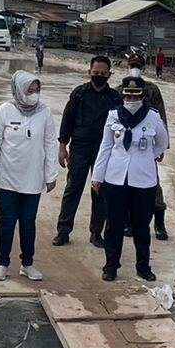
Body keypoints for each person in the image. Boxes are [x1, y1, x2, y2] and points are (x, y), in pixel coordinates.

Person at [92, 75, 168, 282]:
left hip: (143, 180)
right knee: (114, 225)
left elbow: (162, 143)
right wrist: (97, 176)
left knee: (141, 226)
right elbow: (106, 146)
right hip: (115, 178)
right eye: (128, 95)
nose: (131, 100)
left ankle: (143, 266)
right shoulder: (113, 116)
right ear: (122, 95)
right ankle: (111, 266)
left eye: (135, 96)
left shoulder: (152, 117)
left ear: (142, 95)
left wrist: (146, 157)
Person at [0, 72, 58, 282]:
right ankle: (2, 263)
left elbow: (50, 145)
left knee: (28, 221)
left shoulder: (44, 112)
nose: (33, 95)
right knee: (7, 220)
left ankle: (27, 263)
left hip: (33, 178)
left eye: (37, 91)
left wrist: (51, 174)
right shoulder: (4, 111)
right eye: (29, 91)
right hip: (7, 177)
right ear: (19, 90)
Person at [52, 57, 117, 246]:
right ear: (89, 72)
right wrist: (62, 147)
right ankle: (63, 231)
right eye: (96, 73)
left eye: (103, 74)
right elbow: (67, 120)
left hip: (104, 151)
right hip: (79, 148)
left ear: (109, 75)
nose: (99, 76)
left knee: (100, 191)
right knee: (73, 189)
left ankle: (96, 233)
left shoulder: (114, 98)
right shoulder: (79, 93)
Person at [127, 54, 171, 242]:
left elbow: (161, 117)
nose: (135, 69)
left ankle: (159, 223)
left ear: (144, 69)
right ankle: (128, 222)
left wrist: (162, 147)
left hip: (147, 146)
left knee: (154, 185)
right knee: (126, 185)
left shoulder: (152, 90)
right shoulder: (120, 89)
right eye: (132, 65)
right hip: (126, 147)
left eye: (138, 66)